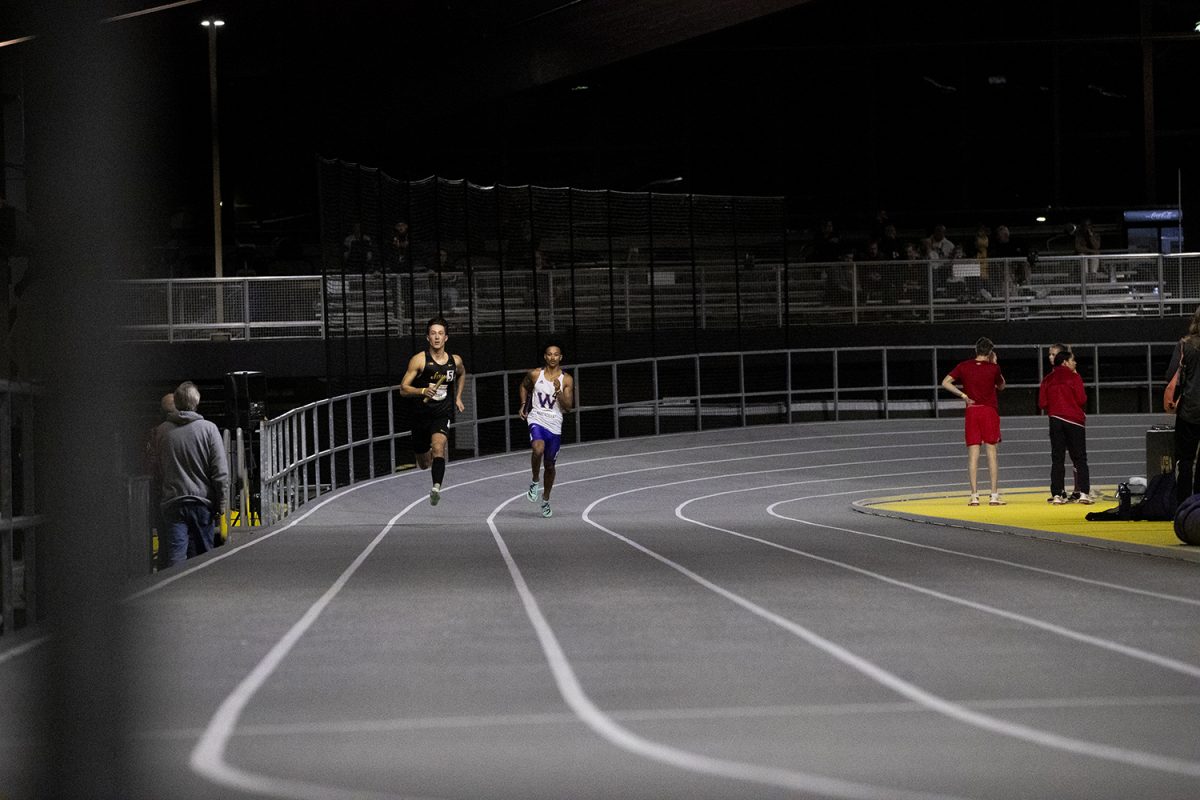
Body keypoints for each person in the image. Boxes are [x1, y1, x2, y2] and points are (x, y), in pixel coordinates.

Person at [154, 381, 230, 568]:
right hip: (202, 503)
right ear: (196, 402)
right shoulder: (209, 429)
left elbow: (159, 467)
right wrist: (222, 502)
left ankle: (175, 591)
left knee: (176, 557)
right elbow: (220, 471)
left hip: (173, 503)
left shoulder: (162, 431)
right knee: (203, 557)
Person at [400, 316, 466, 506]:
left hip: (441, 414)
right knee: (423, 464)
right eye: (433, 334)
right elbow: (403, 389)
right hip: (420, 416)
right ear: (428, 337)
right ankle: (426, 455)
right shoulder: (419, 360)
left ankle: (436, 487)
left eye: (440, 333)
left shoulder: (455, 361)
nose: (437, 337)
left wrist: (458, 397)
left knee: (439, 448)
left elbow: (462, 374)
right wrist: (422, 390)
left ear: (446, 338)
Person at [941, 337, 1006, 506]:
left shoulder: (964, 366)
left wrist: (963, 396)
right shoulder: (993, 368)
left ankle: (974, 495)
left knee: (973, 455)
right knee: (992, 453)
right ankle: (993, 495)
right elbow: (1001, 386)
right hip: (989, 411)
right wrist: (996, 363)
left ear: (976, 350)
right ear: (990, 352)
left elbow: (945, 382)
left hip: (972, 411)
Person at [518, 342, 576, 518]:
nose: (552, 357)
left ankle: (545, 499)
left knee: (550, 466)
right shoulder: (536, 374)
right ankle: (535, 481)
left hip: (555, 424)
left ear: (560, 357)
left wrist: (558, 392)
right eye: (549, 354)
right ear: (545, 356)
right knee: (538, 448)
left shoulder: (566, 379)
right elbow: (523, 386)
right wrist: (523, 405)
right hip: (537, 418)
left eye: (556, 354)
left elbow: (568, 408)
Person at [1038, 349, 1093, 504]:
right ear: (1065, 362)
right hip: (1074, 421)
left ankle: (1057, 494)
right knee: (1080, 458)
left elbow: (1042, 403)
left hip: (1055, 420)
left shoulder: (1048, 379)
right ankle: (1083, 493)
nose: (1075, 363)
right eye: (1072, 360)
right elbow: (1082, 399)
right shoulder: (1074, 377)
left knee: (1057, 458)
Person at [1170, 306, 1200, 506]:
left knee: (1185, 459)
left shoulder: (1185, 345)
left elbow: (1172, 374)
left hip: (1189, 409)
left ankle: (1183, 504)